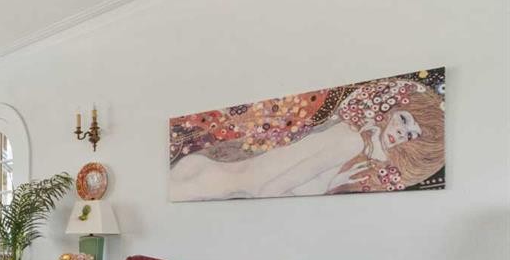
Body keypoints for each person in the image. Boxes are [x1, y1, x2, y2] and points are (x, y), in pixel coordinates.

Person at [170, 77, 444, 200]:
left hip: (210, 174)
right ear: (391, 106)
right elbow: (268, 190)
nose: (401, 133)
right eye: (405, 119)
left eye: (411, 135)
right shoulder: (353, 141)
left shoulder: (353, 138)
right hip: (214, 183)